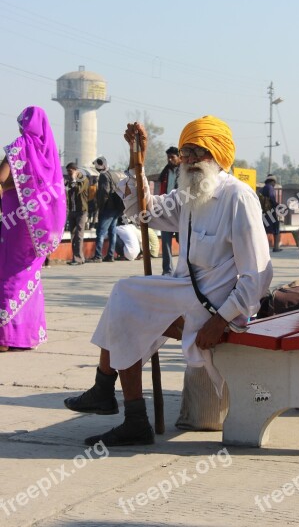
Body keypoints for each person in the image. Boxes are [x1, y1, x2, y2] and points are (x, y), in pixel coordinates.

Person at [64, 115, 272, 447]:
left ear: (216, 155)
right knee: (124, 303)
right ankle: (124, 410)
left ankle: (110, 395)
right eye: (185, 153)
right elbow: (147, 213)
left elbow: (258, 275)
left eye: (195, 153)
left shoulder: (238, 198)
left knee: (126, 301)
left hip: (216, 308)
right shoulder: (190, 193)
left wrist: (221, 321)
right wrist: (138, 159)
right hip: (185, 295)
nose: (187, 160)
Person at [0, 106, 66, 352]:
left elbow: (3, 177)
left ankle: (4, 337)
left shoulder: (21, 145)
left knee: (9, 273)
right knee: (28, 275)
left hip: (15, 223)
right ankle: (24, 335)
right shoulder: (48, 154)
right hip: (37, 228)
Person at [89, 156, 122, 263]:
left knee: (101, 232)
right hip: (117, 207)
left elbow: (104, 192)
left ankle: (98, 256)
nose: (96, 169)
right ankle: (110, 255)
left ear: (101, 165)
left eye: (97, 166)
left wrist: (100, 207)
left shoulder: (103, 176)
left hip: (108, 207)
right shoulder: (115, 174)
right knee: (112, 232)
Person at [158, 146, 181, 274]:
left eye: (172, 157)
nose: (170, 159)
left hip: (180, 211)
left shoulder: (185, 171)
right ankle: (167, 270)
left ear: (179, 157)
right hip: (166, 209)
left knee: (183, 242)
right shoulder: (165, 172)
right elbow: (162, 190)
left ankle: (184, 270)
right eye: (168, 157)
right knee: (166, 241)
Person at [65, 162, 89, 266]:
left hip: (81, 211)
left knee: (79, 235)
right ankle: (77, 258)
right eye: (68, 172)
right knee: (73, 235)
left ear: (75, 170)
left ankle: (78, 259)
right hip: (72, 210)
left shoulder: (84, 179)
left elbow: (78, 190)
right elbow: (67, 192)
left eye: (70, 171)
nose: (69, 174)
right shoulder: (70, 180)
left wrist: (74, 179)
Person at [261, 174, 282, 252]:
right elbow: (272, 199)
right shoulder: (270, 188)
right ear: (272, 181)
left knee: (264, 229)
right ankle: (276, 247)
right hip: (270, 212)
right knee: (276, 228)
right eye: (274, 182)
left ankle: (263, 248)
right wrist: (278, 205)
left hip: (264, 212)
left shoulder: (262, 189)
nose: (274, 184)